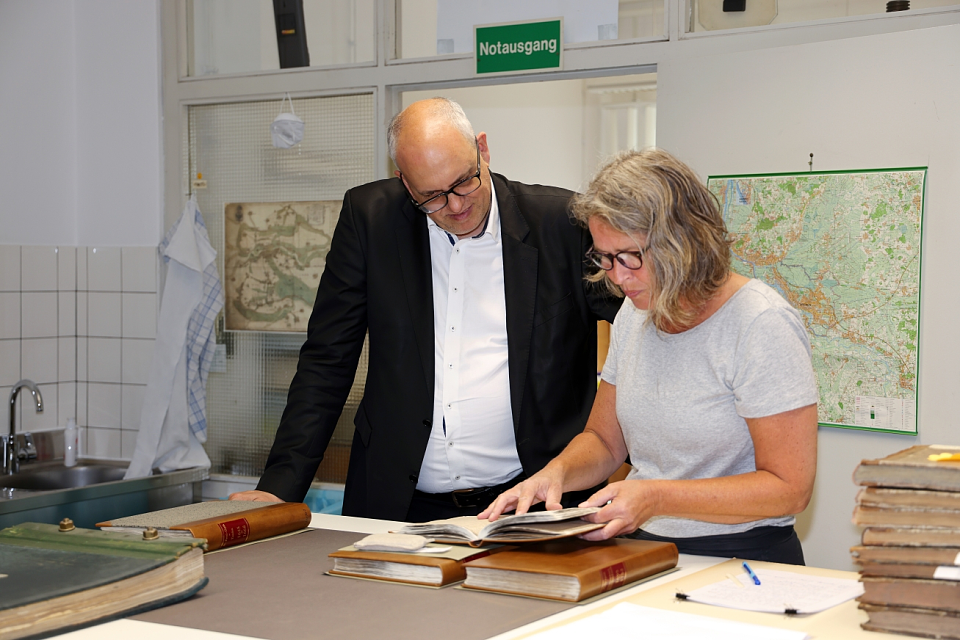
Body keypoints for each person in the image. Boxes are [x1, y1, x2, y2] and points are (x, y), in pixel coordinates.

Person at [230, 98, 619, 521]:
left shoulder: (562, 224)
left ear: (482, 150)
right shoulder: (371, 221)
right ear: (404, 182)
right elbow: (328, 359)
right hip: (398, 502)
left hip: (532, 501)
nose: (455, 206)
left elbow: (642, 331)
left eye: (464, 182)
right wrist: (278, 487)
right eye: (431, 197)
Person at [480, 149, 819, 564]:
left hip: (744, 557)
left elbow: (790, 488)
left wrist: (655, 495)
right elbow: (605, 441)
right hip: (648, 549)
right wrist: (556, 474)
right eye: (605, 258)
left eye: (630, 257)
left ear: (682, 242)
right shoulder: (634, 314)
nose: (618, 278)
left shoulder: (760, 324)